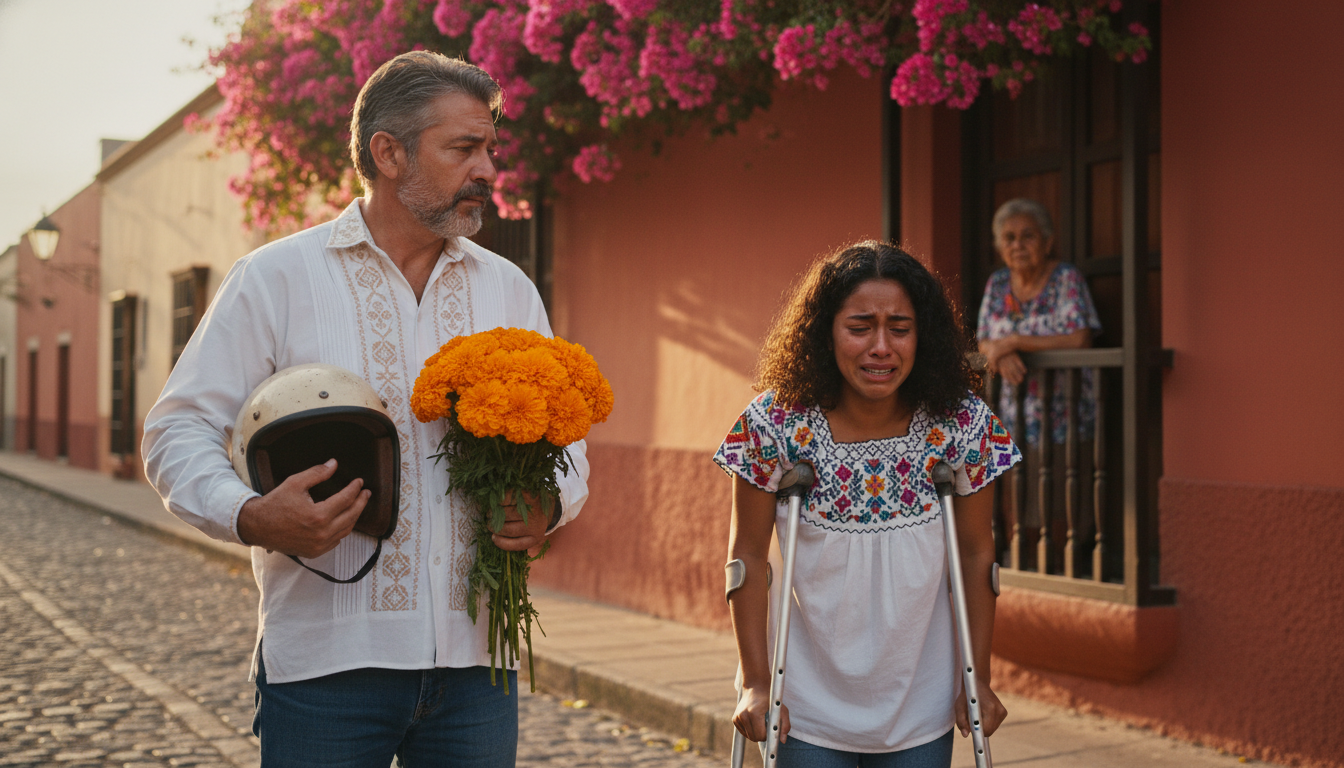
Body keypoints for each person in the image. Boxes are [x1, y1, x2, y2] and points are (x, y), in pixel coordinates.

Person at [142, 52, 589, 766]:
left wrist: (549, 503)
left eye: (491, 150)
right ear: (389, 153)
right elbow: (178, 429)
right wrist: (249, 514)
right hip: (326, 667)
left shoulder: (508, 289)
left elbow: (567, 439)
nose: (488, 170)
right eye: (464, 148)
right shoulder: (276, 277)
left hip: (478, 668)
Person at [714, 242, 1020, 767]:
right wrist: (757, 682)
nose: (881, 346)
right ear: (824, 332)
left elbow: (975, 557)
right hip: (803, 700)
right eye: (860, 327)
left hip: (918, 699)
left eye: (899, 327)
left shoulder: (962, 425)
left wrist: (980, 681)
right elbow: (748, 555)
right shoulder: (774, 424)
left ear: (922, 334)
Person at [976, 198, 1102, 445]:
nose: (1018, 245)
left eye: (1028, 236)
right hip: (1009, 418)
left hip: (1063, 419)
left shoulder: (1065, 279)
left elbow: (1079, 339)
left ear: (1048, 242)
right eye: (1009, 238)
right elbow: (984, 341)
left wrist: (1014, 342)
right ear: (1000, 247)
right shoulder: (998, 283)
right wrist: (997, 352)